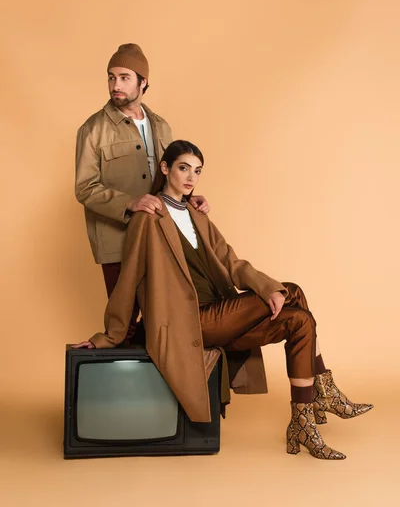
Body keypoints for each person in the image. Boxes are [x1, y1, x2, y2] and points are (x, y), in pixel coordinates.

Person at [73, 140, 373, 460]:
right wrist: (109, 336)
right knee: (292, 290)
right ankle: (324, 391)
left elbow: (232, 264)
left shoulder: (197, 215)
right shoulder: (148, 218)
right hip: (187, 321)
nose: (191, 178)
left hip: (219, 315)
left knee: (301, 321)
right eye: (183, 168)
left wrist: (267, 287)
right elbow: (128, 278)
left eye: (197, 171)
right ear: (165, 169)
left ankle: (302, 423)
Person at [75, 44, 209, 297]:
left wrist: (190, 200)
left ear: (143, 82)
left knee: (161, 318)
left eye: (125, 78)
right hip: (117, 242)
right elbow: (85, 188)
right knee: (124, 323)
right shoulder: (93, 129)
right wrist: (130, 203)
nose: (116, 85)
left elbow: (170, 175)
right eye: (111, 77)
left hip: (160, 235)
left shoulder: (161, 126)